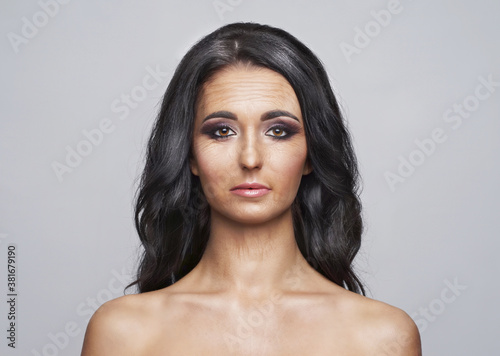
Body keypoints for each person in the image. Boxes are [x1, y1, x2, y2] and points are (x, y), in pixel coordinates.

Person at [81, 22, 421, 355]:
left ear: (310, 154)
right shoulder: (123, 333)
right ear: (190, 155)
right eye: (221, 131)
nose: (250, 158)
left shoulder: (381, 337)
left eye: (278, 131)